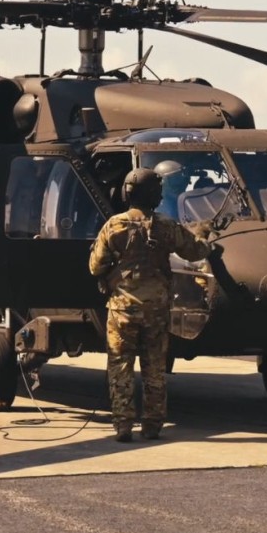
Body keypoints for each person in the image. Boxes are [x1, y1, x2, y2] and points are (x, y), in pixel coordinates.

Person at [88, 168, 211, 442]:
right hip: (156, 310)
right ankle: (152, 425)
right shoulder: (166, 226)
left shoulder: (114, 225)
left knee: (120, 367)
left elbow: (96, 266)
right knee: (154, 368)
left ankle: (122, 426)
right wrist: (204, 236)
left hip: (121, 310)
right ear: (156, 196)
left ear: (127, 193)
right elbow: (195, 251)